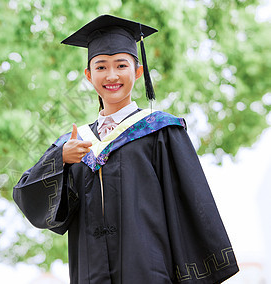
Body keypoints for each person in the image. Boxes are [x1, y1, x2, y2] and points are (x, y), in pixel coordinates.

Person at [13, 15, 239, 283]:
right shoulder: (74, 143)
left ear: (138, 71)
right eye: (100, 67)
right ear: (88, 75)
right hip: (90, 274)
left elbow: (191, 204)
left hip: (148, 272)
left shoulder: (161, 131)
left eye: (121, 65)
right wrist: (59, 160)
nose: (111, 75)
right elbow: (29, 196)